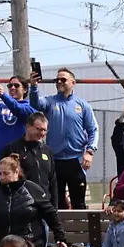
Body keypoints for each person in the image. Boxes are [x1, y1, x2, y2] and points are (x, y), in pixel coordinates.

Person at [27, 68, 99, 208]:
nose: (59, 82)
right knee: (57, 202)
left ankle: (79, 223)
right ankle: (59, 223)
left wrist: (90, 151)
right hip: (55, 160)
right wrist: (34, 87)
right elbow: (35, 104)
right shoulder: (49, 102)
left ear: (73, 82)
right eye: (57, 80)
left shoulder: (83, 105)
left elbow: (93, 130)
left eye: (63, 79)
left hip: (76, 160)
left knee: (78, 202)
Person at [0, 76, 37, 158]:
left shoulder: (29, 107)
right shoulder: (0, 107)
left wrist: (4, 95)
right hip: (0, 154)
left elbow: (18, 109)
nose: (12, 88)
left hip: (20, 154)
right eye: (10, 86)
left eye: (16, 85)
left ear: (25, 90)